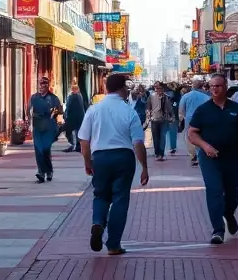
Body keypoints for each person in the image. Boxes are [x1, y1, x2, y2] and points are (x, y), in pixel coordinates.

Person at [78, 72, 149, 256]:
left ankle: (97, 223)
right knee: (120, 199)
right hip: (123, 157)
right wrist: (144, 167)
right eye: (126, 87)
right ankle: (113, 244)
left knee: (100, 195)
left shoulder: (94, 110)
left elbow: (84, 141)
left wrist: (88, 161)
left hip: (100, 156)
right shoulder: (129, 111)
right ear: (121, 88)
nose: (127, 91)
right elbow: (138, 143)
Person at [188, 74, 238, 245]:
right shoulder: (203, 110)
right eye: (211, 86)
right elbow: (192, 133)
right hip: (210, 159)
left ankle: (228, 213)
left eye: (218, 86)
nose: (214, 89)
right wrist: (205, 146)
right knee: (214, 191)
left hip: (231, 157)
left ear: (225, 87)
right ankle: (217, 230)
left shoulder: (235, 108)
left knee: (232, 193)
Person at [29, 76, 64, 183]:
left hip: (48, 127)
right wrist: (28, 120)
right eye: (40, 84)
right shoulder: (34, 97)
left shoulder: (53, 98)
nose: (42, 86)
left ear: (48, 85)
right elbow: (29, 109)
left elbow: (60, 110)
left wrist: (55, 113)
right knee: (38, 150)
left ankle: (48, 171)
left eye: (44, 84)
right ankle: (41, 172)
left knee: (45, 150)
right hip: (37, 127)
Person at [178, 77, 211, 165]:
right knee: (202, 136)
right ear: (201, 86)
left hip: (190, 119)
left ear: (193, 86)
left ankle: (193, 154)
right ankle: (201, 153)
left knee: (189, 137)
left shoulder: (186, 96)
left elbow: (181, 110)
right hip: (203, 119)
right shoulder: (206, 97)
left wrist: (181, 119)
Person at [147, 82, 174, 161]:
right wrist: (148, 116)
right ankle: (157, 153)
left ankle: (161, 154)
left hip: (164, 119)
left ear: (163, 89)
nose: (158, 90)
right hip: (154, 119)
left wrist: (172, 116)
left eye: (160, 88)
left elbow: (170, 108)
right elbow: (148, 108)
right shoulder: (151, 97)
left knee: (162, 137)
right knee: (155, 137)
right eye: (156, 88)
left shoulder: (166, 97)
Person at [63, 81, 86, 153]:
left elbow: (68, 107)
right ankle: (77, 146)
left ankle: (74, 145)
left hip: (72, 118)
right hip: (80, 117)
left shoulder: (71, 97)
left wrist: (66, 116)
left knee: (68, 132)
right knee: (78, 132)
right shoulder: (80, 96)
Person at [165, 82, 182, 155]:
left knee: (171, 133)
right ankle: (172, 147)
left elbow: (175, 106)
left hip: (172, 117)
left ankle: (172, 148)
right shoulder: (177, 97)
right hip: (171, 116)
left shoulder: (174, 99)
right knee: (171, 133)